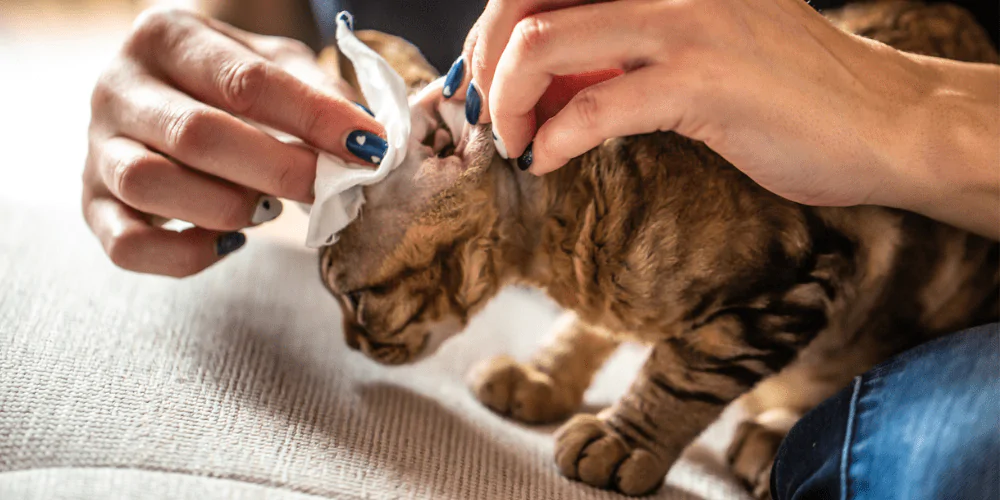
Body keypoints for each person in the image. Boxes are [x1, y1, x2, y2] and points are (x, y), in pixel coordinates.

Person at [83, 1, 998, 498]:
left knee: (963, 460)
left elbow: (798, 264)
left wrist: (903, 109)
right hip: (777, 329)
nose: (362, 342)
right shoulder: (581, 234)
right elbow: (271, 19)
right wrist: (193, 55)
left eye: (364, 306)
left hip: (957, 250)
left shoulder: (653, 223)